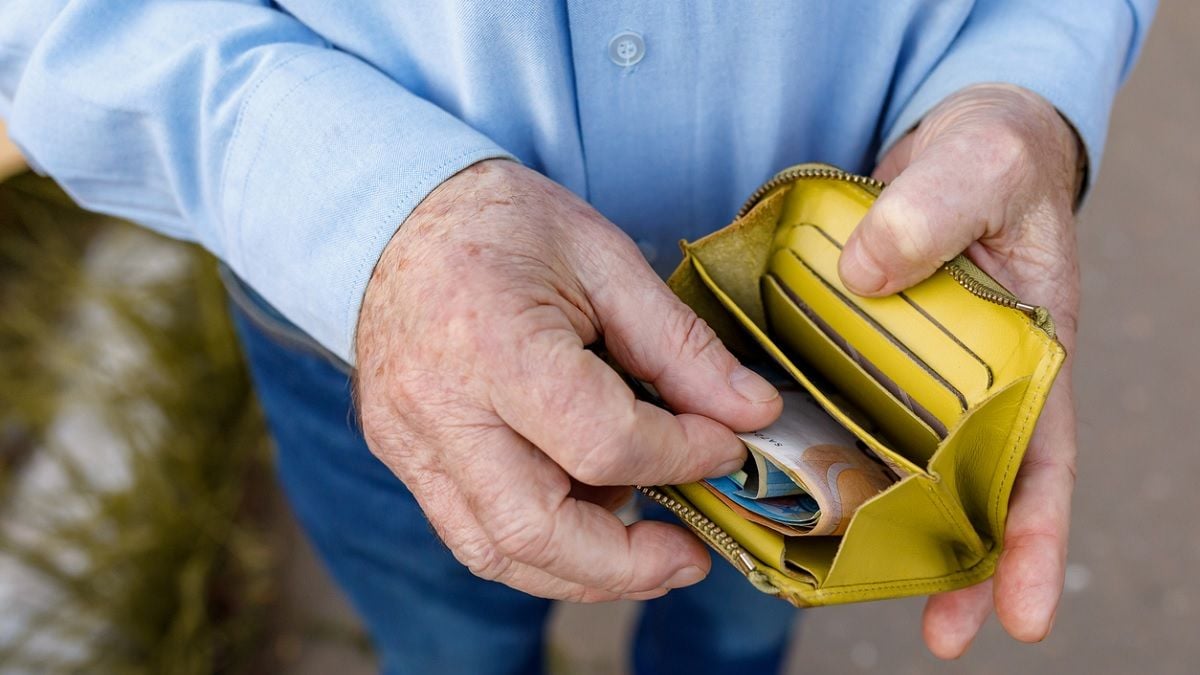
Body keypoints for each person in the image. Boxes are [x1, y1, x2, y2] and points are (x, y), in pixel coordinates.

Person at [0, 2, 1156, 673]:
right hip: (367, 334)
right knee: (449, 642)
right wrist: (368, 211)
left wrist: (1022, 86)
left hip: (848, 337)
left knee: (738, 627)